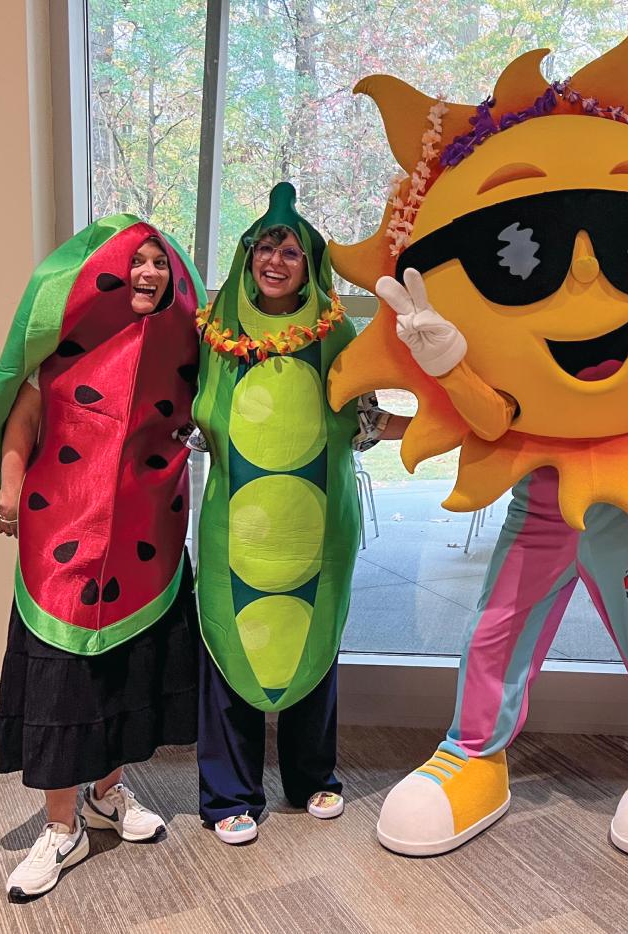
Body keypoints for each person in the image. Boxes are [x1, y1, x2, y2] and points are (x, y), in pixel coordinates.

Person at [0, 218, 204, 899]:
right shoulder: (60, 341)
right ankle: (60, 828)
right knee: (61, 674)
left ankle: (108, 795)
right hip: (62, 535)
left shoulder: (179, 344)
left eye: (158, 262)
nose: (146, 272)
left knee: (127, 666)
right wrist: (13, 496)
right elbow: (21, 420)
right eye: (131, 260)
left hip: (148, 535)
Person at [190, 183, 407, 846]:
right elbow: (181, 410)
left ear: (309, 265)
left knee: (312, 643)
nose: (276, 260)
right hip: (237, 527)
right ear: (248, 254)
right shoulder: (214, 332)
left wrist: (444, 429)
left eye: (291, 251)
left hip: (315, 526)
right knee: (229, 652)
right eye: (266, 247)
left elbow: (364, 419)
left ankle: (315, 776)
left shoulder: (336, 332)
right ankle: (229, 792)